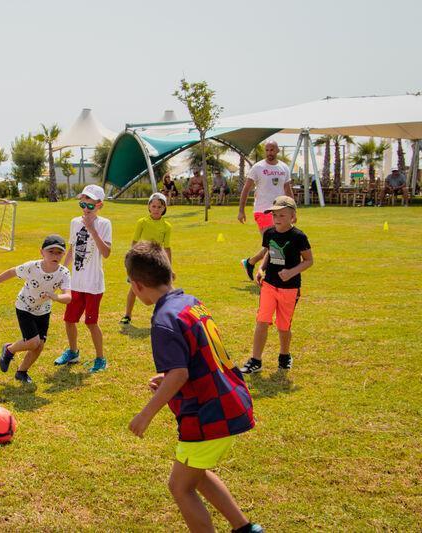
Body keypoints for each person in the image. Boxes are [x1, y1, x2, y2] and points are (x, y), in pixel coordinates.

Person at [125, 241, 261, 533]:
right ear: (170, 273)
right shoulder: (189, 302)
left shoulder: (163, 320)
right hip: (229, 400)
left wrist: (145, 414)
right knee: (195, 474)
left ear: (136, 286)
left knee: (179, 486)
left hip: (208, 413)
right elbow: (199, 356)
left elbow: (179, 374)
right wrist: (170, 377)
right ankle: (245, 528)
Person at [0, 235, 72, 384]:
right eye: (51, 252)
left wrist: (55, 297)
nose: (55, 255)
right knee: (32, 342)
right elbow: (11, 272)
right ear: (42, 252)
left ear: (63, 254)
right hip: (24, 307)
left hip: (43, 311)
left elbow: (68, 297)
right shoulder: (32, 267)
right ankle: (9, 349)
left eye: (59, 252)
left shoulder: (63, 273)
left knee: (39, 345)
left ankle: (22, 372)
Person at [239, 196, 313, 374]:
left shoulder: (299, 236)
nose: (277, 219)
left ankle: (284, 355)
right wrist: (261, 269)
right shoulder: (270, 233)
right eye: (275, 216)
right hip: (269, 285)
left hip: (289, 288)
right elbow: (270, 252)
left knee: (283, 326)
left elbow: (309, 260)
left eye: (282, 215)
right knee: (262, 321)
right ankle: (256, 360)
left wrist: (291, 272)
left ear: (292, 217)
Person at [54, 184, 112, 374]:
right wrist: (60, 270)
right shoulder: (74, 222)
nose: (85, 209)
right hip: (76, 283)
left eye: (90, 205)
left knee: (91, 322)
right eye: (82, 204)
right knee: (69, 320)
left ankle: (100, 358)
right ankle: (73, 352)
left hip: (93, 285)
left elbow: (106, 253)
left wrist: (92, 229)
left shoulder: (104, 224)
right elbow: (71, 249)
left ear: (99, 205)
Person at [238, 140, 293, 281]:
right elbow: (246, 189)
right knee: (273, 243)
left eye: (272, 150)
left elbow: (287, 189)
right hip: (263, 210)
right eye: (267, 150)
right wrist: (241, 210)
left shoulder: (284, 168)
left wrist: (293, 210)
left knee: (275, 243)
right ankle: (266, 274)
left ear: (277, 151)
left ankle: (250, 262)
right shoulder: (258, 167)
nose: (269, 153)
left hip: (280, 211)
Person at [121, 193, 172, 325]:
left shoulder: (167, 226)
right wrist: (131, 263)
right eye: (153, 206)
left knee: (159, 291)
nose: (156, 209)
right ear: (149, 207)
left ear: (164, 208)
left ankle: (160, 317)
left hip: (156, 262)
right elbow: (134, 242)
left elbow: (167, 248)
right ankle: (127, 315)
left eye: (159, 207)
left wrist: (169, 267)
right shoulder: (142, 222)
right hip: (140, 260)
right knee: (133, 289)